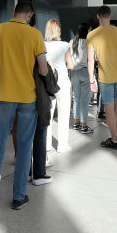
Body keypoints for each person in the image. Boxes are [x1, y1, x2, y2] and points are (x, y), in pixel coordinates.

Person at [0, 1, 50, 210]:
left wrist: (2, 56)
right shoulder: (35, 34)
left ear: (14, 13)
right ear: (30, 15)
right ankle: (19, 196)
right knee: (24, 147)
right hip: (28, 98)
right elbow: (43, 70)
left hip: (4, 97)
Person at [86, 5, 117, 149]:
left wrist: (91, 80)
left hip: (105, 76)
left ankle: (114, 140)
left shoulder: (92, 35)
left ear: (98, 16)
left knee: (108, 107)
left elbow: (90, 60)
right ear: (110, 16)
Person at [44, 19, 74, 155]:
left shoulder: (43, 44)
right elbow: (70, 65)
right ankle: (62, 145)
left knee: (48, 115)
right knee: (64, 114)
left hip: (48, 82)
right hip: (62, 81)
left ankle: (46, 145)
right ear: (59, 30)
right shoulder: (65, 45)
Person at [69, 22, 93, 134]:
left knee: (76, 98)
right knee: (85, 100)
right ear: (87, 31)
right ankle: (84, 126)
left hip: (74, 72)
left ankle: (76, 123)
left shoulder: (72, 42)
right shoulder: (89, 42)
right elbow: (92, 59)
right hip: (85, 71)